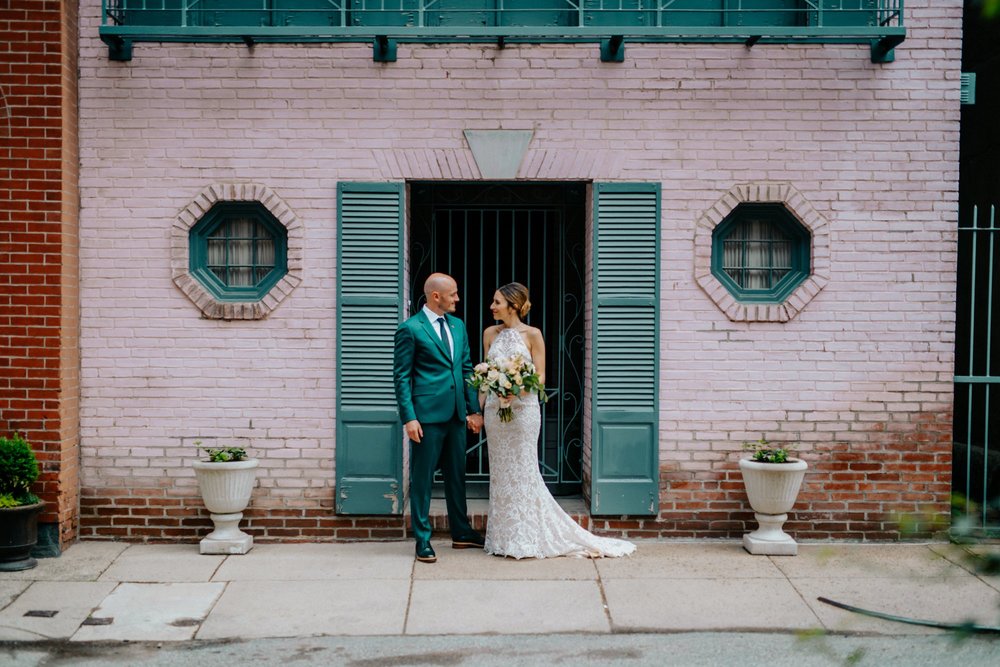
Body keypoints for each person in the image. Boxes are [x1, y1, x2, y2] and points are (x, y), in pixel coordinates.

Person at [481, 282, 635, 559]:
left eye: (496, 302)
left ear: (513, 306)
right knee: (501, 474)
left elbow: (540, 377)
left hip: (523, 412)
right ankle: (504, 537)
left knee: (524, 471)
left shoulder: (533, 335)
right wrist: (478, 410)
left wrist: (513, 390)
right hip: (495, 413)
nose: (491, 307)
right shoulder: (489, 333)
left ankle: (527, 536)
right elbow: (485, 377)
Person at [393, 273, 485, 563]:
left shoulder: (458, 326)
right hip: (427, 418)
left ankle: (461, 532)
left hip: (457, 414)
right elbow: (402, 377)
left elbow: (467, 369)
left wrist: (473, 410)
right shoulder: (410, 329)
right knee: (422, 480)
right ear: (436, 296)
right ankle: (422, 539)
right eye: (453, 294)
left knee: (457, 477)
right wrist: (409, 418)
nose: (457, 298)